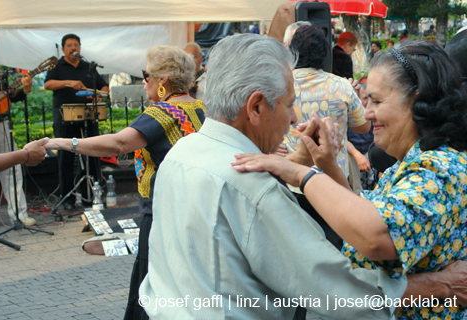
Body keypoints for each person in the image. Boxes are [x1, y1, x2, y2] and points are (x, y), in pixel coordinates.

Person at [136, 33, 467, 320]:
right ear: (255, 107)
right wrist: (437, 286)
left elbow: (368, 224)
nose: (295, 115)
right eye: (289, 104)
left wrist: (312, 169)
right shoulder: (251, 183)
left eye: (375, 100)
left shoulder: (183, 152)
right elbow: (331, 286)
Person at [232, 39, 467, 319]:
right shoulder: (412, 163)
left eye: (376, 101)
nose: (367, 113)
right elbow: (362, 217)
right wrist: (327, 164)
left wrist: (300, 173)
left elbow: (378, 237)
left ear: (415, 101)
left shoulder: (438, 169)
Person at [45, 45, 205, 320]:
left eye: (146, 75)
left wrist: (64, 142)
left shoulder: (162, 112)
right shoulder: (201, 107)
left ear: (163, 80)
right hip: (193, 211)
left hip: (163, 215)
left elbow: (119, 143)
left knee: (153, 291)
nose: (144, 82)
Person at [285, 25, 370, 180]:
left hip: (293, 178)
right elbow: (364, 127)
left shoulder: (282, 85)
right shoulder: (342, 86)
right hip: (334, 179)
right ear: (324, 53)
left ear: (292, 51)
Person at [44, 33, 109, 211]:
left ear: (80, 48)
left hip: (88, 116)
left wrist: (99, 96)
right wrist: (68, 83)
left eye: (76, 45)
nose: (73, 48)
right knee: (66, 157)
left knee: (92, 153)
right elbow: (48, 84)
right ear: (63, 49)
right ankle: (68, 199)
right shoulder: (57, 65)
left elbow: (104, 86)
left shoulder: (88, 67)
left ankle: (91, 195)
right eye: (70, 45)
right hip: (65, 117)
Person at [0, 71, 37, 228]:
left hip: (1, 124)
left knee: (13, 169)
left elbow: (13, 96)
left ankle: (19, 214)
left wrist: (26, 89)